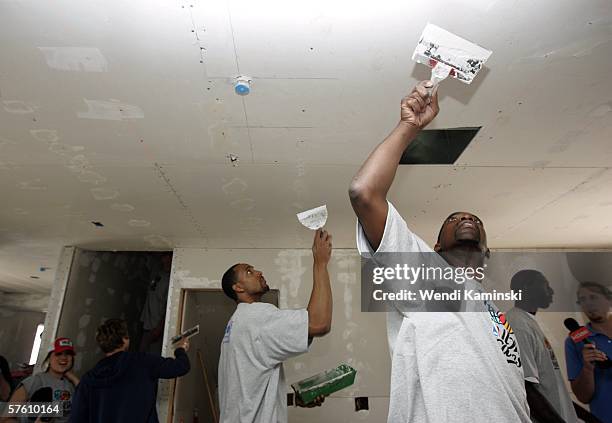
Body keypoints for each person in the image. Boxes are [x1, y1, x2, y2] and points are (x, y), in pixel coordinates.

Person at [348, 80, 530, 422]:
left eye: (472, 218)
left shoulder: (494, 312)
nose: (465, 218)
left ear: (486, 253)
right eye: (454, 218)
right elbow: (364, 192)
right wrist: (408, 127)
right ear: (435, 247)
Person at [218, 229, 333, 423]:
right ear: (238, 288)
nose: (258, 272)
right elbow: (318, 323)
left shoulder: (236, 324)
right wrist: (320, 263)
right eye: (249, 271)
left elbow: (250, 390)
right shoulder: (255, 317)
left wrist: (295, 399)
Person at [69, 318, 190, 423]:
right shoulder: (142, 362)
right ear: (125, 339)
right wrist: (180, 349)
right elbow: (181, 366)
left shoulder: (88, 379)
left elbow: (77, 419)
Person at [506, 270, 579, 422]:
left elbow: (549, 388)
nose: (551, 291)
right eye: (546, 286)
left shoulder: (528, 321)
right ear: (527, 287)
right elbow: (527, 389)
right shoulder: (517, 323)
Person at [565, 282, 612, 423]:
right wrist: (587, 368)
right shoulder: (574, 342)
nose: (588, 304)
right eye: (583, 300)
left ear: (608, 299)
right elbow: (583, 397)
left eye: (593, 297)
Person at [2, 338, 79, 423]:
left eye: (68, 354)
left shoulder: (71, 385)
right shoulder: (35, 381)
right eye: (58, 353)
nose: (64, 357)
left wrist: (73, 378)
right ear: (49, 359)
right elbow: (5, 419)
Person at [139, 253, 172, 353]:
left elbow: (168, 306)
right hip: (147, 324)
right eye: (162, 256)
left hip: (157, 326)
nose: (163, 258)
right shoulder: (157, 272)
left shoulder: (170, 279)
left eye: (165, 255)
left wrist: (159, 327)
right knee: (142, 353)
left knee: (153, 356)